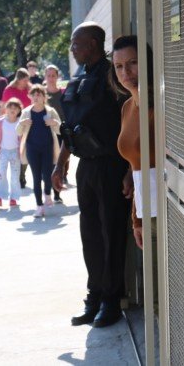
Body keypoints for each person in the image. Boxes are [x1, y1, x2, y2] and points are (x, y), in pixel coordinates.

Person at [51, 22, 132, 329]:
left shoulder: (114, 76)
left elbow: (132, 122)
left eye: (77, 43)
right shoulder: (81, 78)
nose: (72, 49)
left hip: (113, 165)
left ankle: (112, 300)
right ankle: (95, 296)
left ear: (95, 44)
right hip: (87, 166)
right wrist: (61, 164)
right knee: (91, 235)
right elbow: (69, 128)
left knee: (111, 235)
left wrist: (129, 169)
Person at [111, 36, 157, 250]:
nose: (125, 72)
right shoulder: (127, 107)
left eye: (133, 63)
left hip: (171, 208)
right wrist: (136, 220)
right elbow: (136, 167)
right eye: (119, 66)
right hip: (144, 212)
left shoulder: (160, 103)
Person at [17, 85, 61, 218]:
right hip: (32, 148)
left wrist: (54, 123)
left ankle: (47, 193)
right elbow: (18, 132)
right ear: (30, 97)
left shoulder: (50, 111)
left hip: (48, 147)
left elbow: (60, 130)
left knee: (47, 176)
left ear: (44, 97)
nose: (36, 97)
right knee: (36, 177)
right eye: (34, 95)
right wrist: (22, 123)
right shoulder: (26, 112)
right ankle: (39, 206)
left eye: (39, 95)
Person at [0, 98, 23, 208]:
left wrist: (23, 152)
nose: (12, 110)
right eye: (10, 108)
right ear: (5, 109)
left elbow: (24, 139)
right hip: (3, 151)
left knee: (14, 176)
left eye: (15, 108)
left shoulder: (20, 123)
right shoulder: (0, 121)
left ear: (18, 111)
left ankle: (13, 198)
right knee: (2, 175)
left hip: (15, 153)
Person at [2, 69, 32, 188]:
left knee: (25, 150)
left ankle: (21, 175)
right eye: (25, 80)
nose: (27, 82)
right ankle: (17, 175)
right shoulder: (9, 90)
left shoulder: (29, 89)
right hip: (13, 123)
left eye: (28, 80)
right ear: (19, 79)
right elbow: (4, 107)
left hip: (27, 122)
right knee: (16, 150)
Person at [44, 64, 68, 203]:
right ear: (45, 77)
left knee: (58, 163)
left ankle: (57, 192)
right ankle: (48, 191)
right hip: (45, 133)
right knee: (47, 164)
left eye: (54, 75)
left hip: (60, 133)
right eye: (49, 75)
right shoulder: (41, 94)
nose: (51, 78)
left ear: (57, 77)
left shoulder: (63, 94)